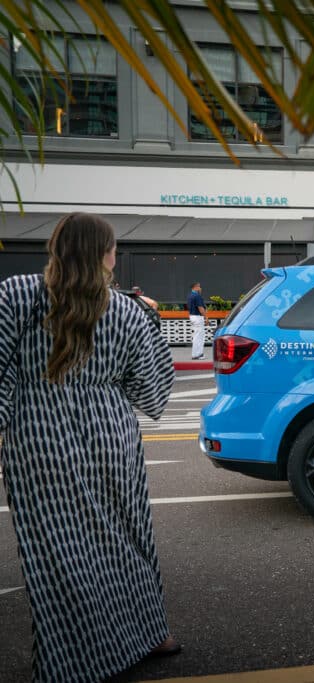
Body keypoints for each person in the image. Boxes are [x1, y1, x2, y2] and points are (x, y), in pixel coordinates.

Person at [0, 212, 178, 681]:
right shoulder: (127, 310)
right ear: (103, 254)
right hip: (111, 434)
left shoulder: (16, 294)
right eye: (113, 249)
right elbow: (152, 392)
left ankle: (70, 660)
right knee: (128, 536)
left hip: (38, 438)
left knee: (56, 548)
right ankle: (151, 633)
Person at [187, 281, 206, 360]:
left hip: (192, 316)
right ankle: (197, 354)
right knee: (199, 336)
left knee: (196, 336)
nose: (200, 288)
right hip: (198, 317)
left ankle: (197, 353)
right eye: (199, 286)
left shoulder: (190, 295)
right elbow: (200, 308)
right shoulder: (197, 296)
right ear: (195, 287)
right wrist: (206, 318)